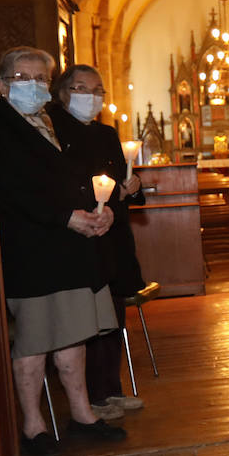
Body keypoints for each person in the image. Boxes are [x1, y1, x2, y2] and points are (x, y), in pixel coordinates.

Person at [0, 46, 126, 456]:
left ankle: (82, 414)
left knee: (73, 334)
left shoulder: (49, 122)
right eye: (22, 78)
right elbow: (11, 189)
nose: (33, 86)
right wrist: (65, 216)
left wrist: (103, 213)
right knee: (34, 340)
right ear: (1, 85)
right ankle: (32, 426)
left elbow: (84, 177)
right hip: (32, 251)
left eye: (40, 79)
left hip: (72, 247)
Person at [49, 64, 147, 421]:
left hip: (113, 238)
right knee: (86, 321)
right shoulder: (55, 132)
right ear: (62, 93)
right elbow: (66, 185)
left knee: (113, 316)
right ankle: (90, 396)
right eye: (81, 88)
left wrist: (132, 189)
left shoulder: (107, 134)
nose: (91, 96)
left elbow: (125, 183)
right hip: (79, 236)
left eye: (98, 90)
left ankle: (111, 390)